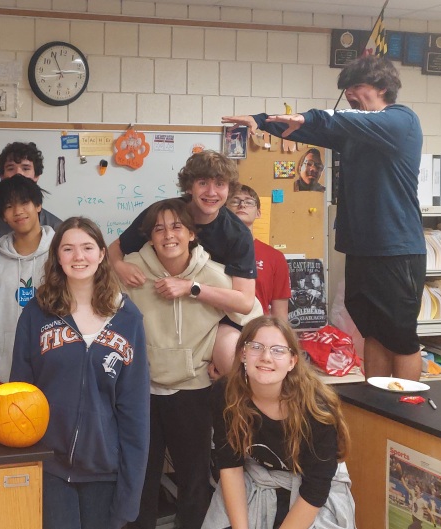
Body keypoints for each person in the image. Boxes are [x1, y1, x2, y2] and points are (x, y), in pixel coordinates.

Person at [223, 55, 424, 381]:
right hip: (361, 250)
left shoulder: (401, 121)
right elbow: (309, 128)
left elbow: (330, 119)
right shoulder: (354, 132)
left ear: (383, 87)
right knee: (372, 332)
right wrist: (260, 121)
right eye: (347, 89)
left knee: (400, 338)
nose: (350, 95)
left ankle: (404, 408)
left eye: (357, 87)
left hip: (396, 250)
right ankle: (378, 405)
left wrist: (312, 116)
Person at [124, 199, 262, 529]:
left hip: (194, 391)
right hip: (141, 393)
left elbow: (253, 319)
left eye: (176, 227)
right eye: (159, 228)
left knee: (194, 482)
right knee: (140, 480)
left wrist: (224, 357)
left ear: (191, 234)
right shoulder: (131, 272)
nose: (168, 235)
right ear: (149, 237)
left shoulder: (214, 276)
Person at [11, 217, 150, 529]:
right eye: (68, 249)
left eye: (87, 248)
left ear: (102, 254)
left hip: (105, 470)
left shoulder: (127, 318)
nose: (78, 257)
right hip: (49, 467)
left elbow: (136, 413)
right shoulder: (37, 312)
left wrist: (130, 495)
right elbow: (18, 395)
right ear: (57, 257)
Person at [108, 150, 257, 384]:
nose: (211, 192)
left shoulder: (237, 234)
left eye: (219, 184)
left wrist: (191, 288)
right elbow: (115, 248)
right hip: (165, 313)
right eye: (203, 183)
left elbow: (245, 302)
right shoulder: (163, 214)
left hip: (212, 317)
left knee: (233, 364)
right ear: (189, 186)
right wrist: (119, 265)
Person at [203, 316, 354, 529]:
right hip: (255, 479)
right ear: (242, 354)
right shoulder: (225, 394)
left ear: (292, 361)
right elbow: (230, 466)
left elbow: (316, 488)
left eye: (278, 350)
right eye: (256, 347)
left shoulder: (316, 409)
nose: (266, 357)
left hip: (310, 491)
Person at [0, 176, 55, 398]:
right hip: (6, 382)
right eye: (9, 207)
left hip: (54, 379)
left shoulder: (61, 258)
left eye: (25, 203)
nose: (18, 211)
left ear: (38, 205)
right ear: (2, 215)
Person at [0, 142, 63, 266]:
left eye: (26, 168)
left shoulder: (57, 227)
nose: (18, 174)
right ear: (2, 176)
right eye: (11, 168)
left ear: (36, 176)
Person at [227, 184, 291, 323]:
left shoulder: (275, 257)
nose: (242, 205)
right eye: (235, 201)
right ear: (224, 210)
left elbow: (280, 316)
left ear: (258, 213)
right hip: (219, 331)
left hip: (257, 331)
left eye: (249, 202)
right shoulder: (211, 250)